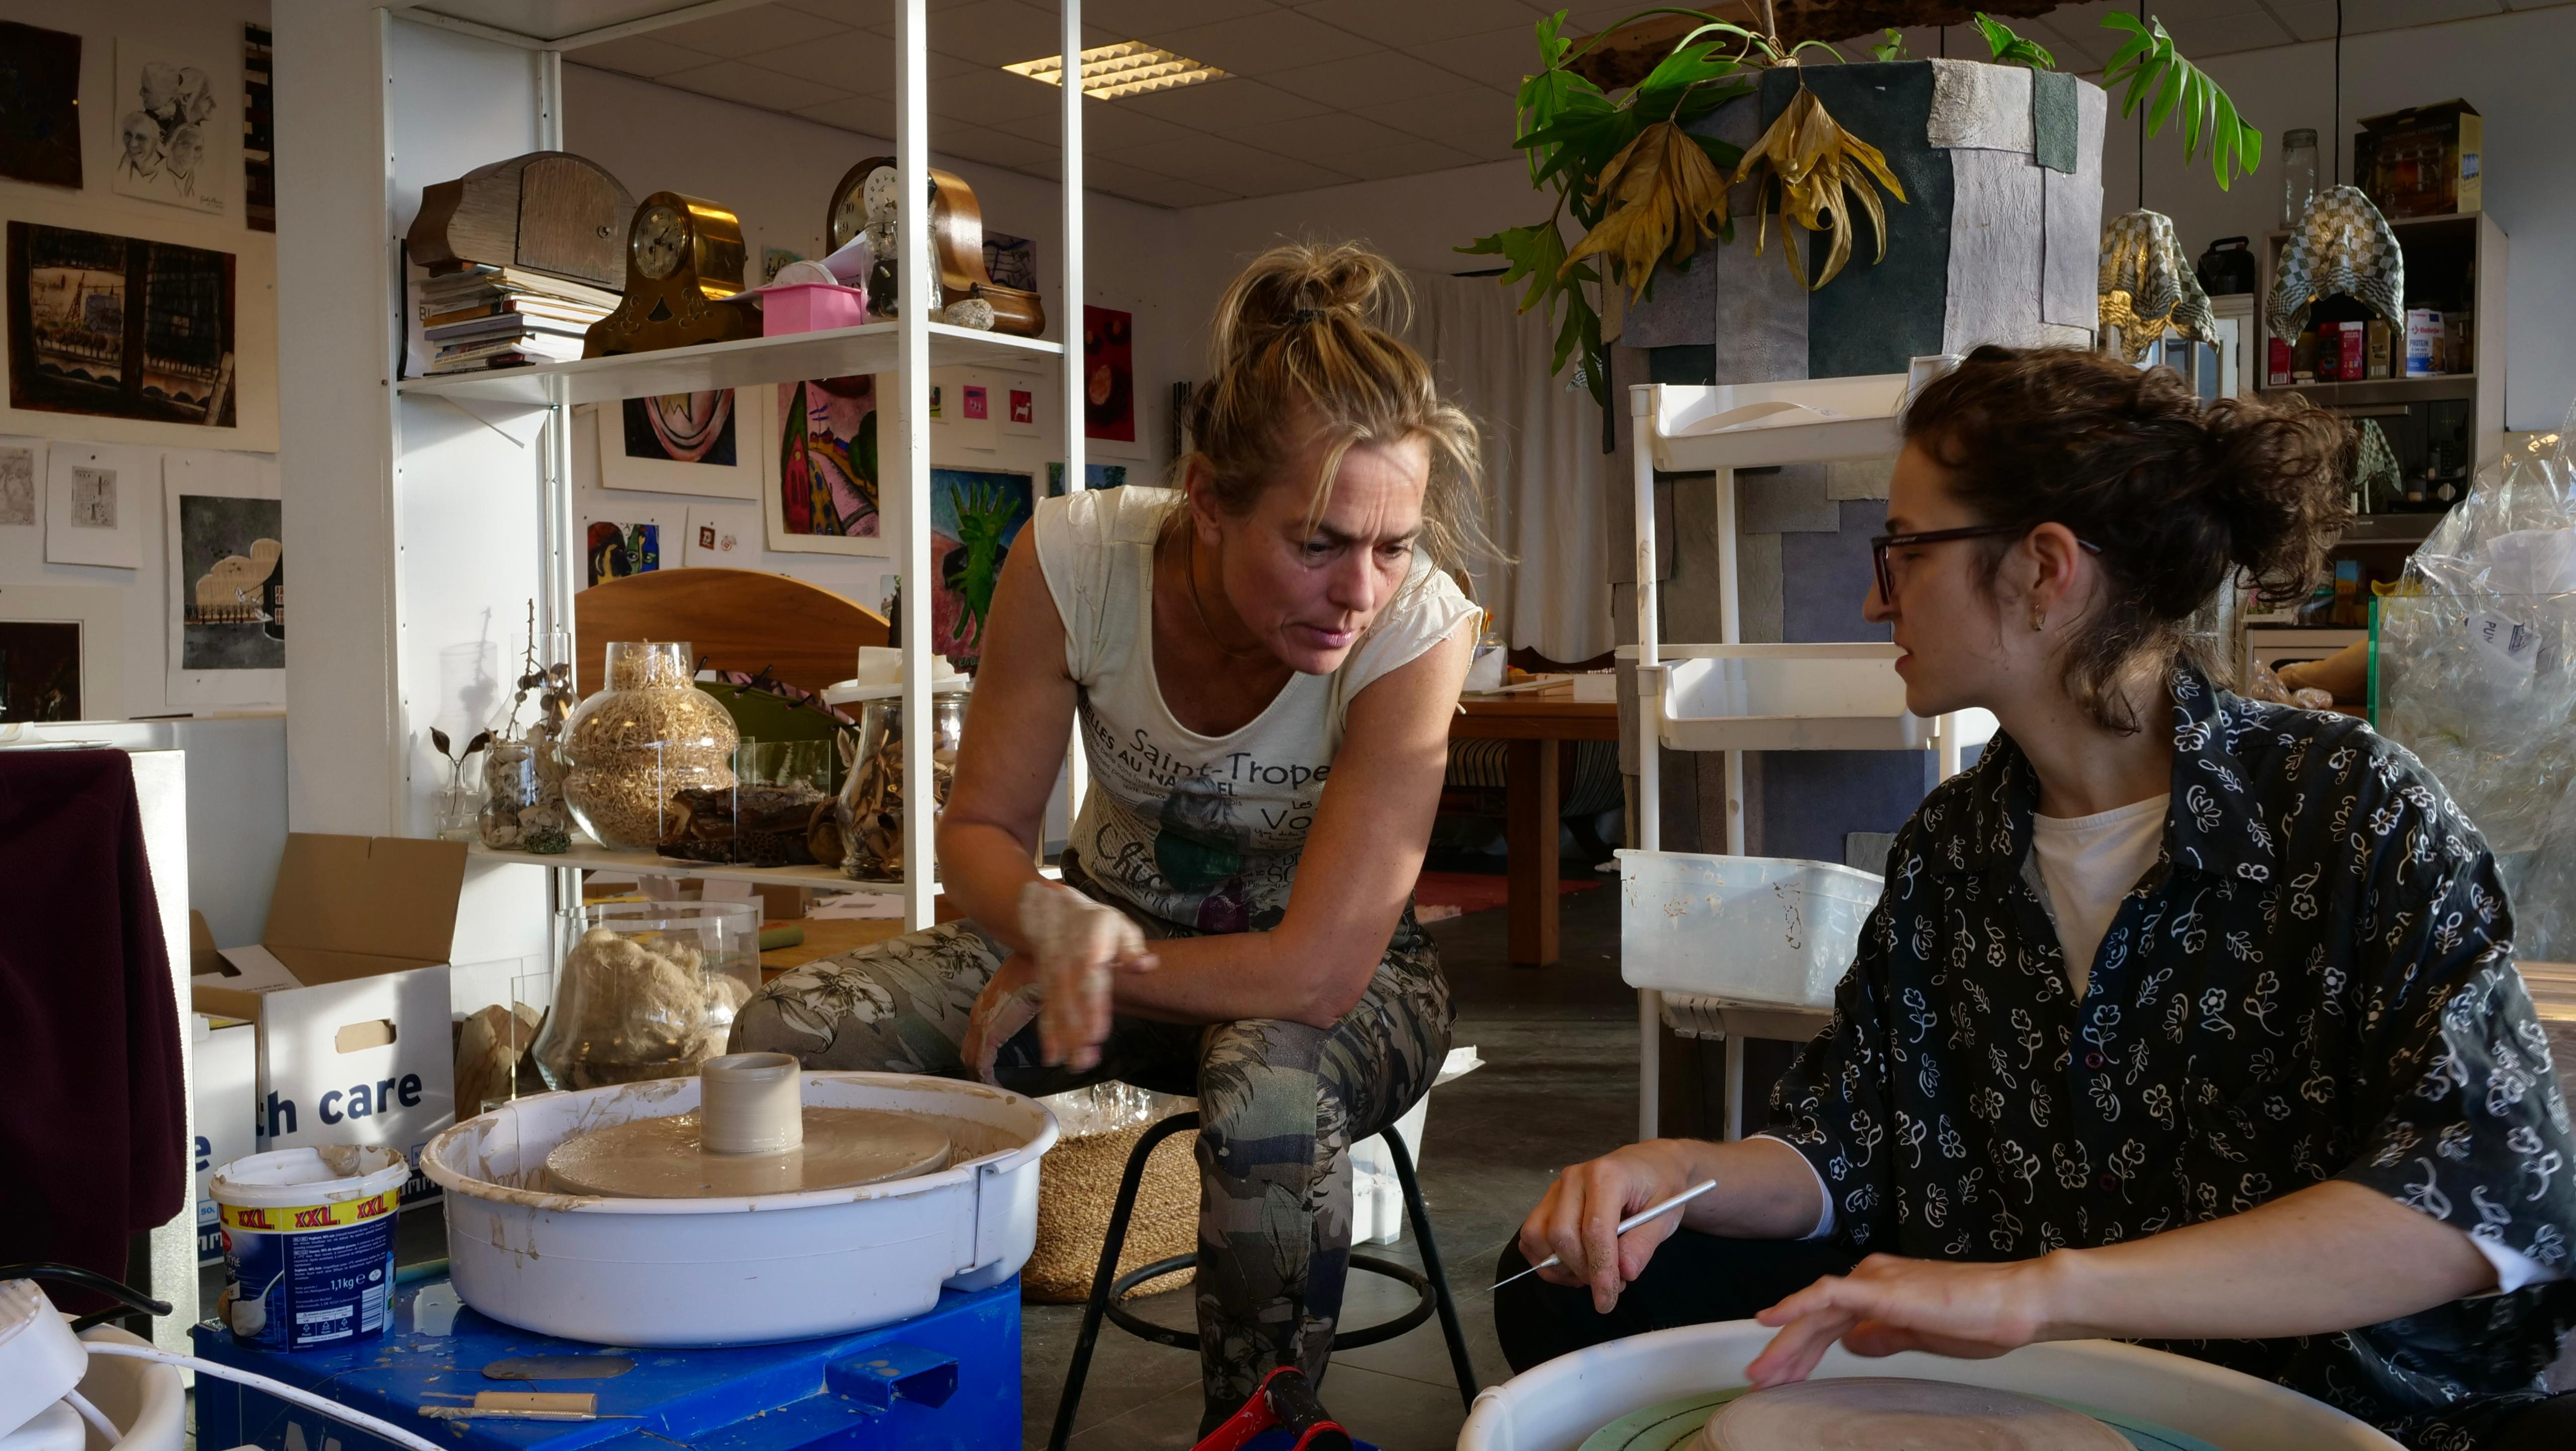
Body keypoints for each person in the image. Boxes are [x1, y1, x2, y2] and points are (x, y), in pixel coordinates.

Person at [1494, 346, 2576, 1450]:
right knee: (1572, 1278)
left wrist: (2043, 1291)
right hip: (2021, 1378)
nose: (1873, 599)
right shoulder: (1951, 848)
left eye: (1903, 553)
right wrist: (1680, 1170)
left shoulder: (2348, 811)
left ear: (2044, 570)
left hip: (2327, 1399)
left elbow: (2495, 1194)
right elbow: (1851, 1144)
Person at [733, 243, 1483, 1431]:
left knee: (1268, 1088)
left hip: (1342, 985)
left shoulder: (1418, 627)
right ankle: (840, 1402)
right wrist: (1048, 916)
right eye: (1318, 542)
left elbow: (1315, 974)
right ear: (1207, 499)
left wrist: (1088, 960)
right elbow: (981, 829)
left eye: (1390, 546)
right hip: (1098, 946)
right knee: (793, 1029)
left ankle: (1259, 1435)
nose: (1360, 591)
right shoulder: (1076, 558)